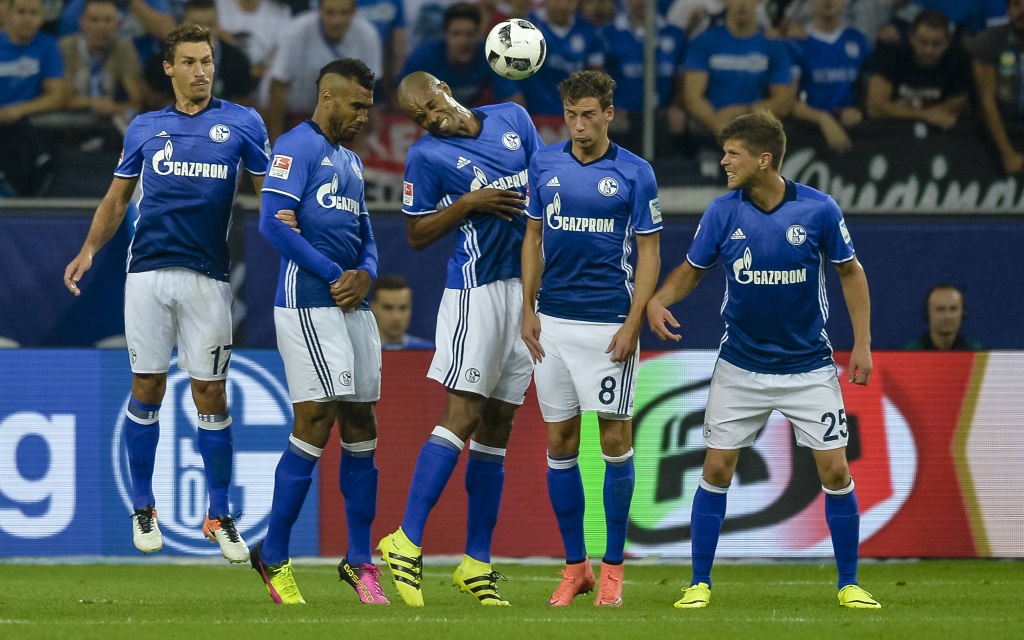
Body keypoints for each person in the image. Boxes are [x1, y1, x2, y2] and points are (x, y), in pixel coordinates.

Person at [646, 110, 881, 610]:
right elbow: (692, 271)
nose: (724, 161)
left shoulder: (818, 210)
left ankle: (849, 583)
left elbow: (851, 274)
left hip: (809, 367)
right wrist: (659, 300)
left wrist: (861, 343)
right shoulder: (722, 211)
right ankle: (699, 583)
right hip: (741, 365)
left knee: (836, 472)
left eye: (733, 154)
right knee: (716, 468)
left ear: (764, 158)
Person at [63, 23, 270, 562]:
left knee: (211, 394)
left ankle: (219, 514)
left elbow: (271, 197)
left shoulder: (243, 123)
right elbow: (115, 199)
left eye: (208, 60)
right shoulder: (144, 127)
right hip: (148, 275)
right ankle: (143, 504)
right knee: (148, 384)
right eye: (192, 62)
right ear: (169, 68)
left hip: (209, 278)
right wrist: (89, 249)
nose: (202, 70)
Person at [377, 70, 541, 607]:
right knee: (464, 413)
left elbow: (544, 185)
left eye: (428, 105)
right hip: (477, 292)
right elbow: (416, 234)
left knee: (499, 425)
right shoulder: (426, 158)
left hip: (525, 290)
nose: (429, 118)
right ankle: (406, 538)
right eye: (418, 117)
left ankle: (476, 562)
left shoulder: (513, 118)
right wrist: (468, 203)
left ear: (444, 87)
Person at [249, 58, 389, 606]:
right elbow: (269, 223)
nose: (363, 116)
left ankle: (359, 561)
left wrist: (367, 274)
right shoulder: (297, 146)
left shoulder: (352, 161)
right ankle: (275, 553)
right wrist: (336, 275)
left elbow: (367, 235)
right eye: (356, 105)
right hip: (308, 304)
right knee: (316, 418)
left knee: (361, 422)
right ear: (327, 98)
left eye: (369, 107)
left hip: (351, 306)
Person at [521, 70, 661, 607]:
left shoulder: (635, 172)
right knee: (559, 444)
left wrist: (632, 322)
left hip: (608, 328)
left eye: (588, 115)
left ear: (608, 113)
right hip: (552, 325)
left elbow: (648, 251)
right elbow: (532, 235)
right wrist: (526, 309)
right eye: (570, 116)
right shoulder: (545, 164)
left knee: (614, 443)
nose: (578, 126)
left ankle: (614, 570)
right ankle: (575, 566)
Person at [265, 0, 381, 142]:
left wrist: (358, 147)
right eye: (330, 13)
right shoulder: (296, 31)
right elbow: (277, 87)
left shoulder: (368, 35)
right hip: (294, 116)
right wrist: (276, 141)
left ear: (353, 13)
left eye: (344, 13)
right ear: (319, 11)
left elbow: (365, 92)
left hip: (341, 121)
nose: (336, 21)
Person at [682, 0, 795, 136]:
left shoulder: (774, 46)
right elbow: (693, 97)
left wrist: (745, 112)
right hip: (709, 133)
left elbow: (783, 101)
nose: (742, 3)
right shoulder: (703, 42)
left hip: (757, 135)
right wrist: (719, 126)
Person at [0, 0, 68, 196]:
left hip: (26, 129)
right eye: (21, 12)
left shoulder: (47, 46)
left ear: (41, 18)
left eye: (33, 13)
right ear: (8, 14)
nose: (27, 19)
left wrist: (18, 110)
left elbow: (57, 95)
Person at [865, 9, 972, 130]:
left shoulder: (958, 59)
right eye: (923, 42)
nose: (929, 50)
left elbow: (957, 105)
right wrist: (925, 115)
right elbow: (874, 108)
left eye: (937, 44)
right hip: (892, 131)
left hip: (939, 134)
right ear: (912, 38)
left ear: (948, 42)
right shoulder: (891, 54)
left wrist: (896, 109)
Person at [788, 0, 872, 152]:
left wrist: (860, 111)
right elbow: (788, 100)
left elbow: (869, 92)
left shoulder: (859, 41)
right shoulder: (797, 43)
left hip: (854, 135)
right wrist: (822, 119)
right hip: (808, 135)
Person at [143, 0, 254, 110]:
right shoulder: (162, 59)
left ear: (218, 24)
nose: (204, 30)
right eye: (196, 24)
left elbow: (242, 107)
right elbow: (153, 103)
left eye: (210, 24)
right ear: (183, 24)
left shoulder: (237, 61)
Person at [401, 2, 513, 108]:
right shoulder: (423, 57)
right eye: (456, 34)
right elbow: (400, 100)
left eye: (470, 34)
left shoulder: (492, 56)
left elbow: (514, 101)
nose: (463, 42)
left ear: (479, 34)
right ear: (445, 35)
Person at [60, 0, 143, 128]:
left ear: (117, 24)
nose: (101, 26)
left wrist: (116, 108)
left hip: (109, 120)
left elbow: (136, 100)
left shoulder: (124, 48)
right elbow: (62, 99)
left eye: (108, 20)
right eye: (95, 20)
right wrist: (94, 103)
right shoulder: (67, 47)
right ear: (82, 23)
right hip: (68, 121)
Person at [972, 0, 1024, 175]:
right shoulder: (989, 41)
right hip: (1000, 130)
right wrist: (1008, 154)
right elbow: (987, 102)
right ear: (1008, 11)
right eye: (1017, 5)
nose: (1022, 10)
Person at [905, 284, 982, 350]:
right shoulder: (911, 354)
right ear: (927, 313)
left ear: (963, 313)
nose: (947, 316)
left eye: (953, 309)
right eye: (940, 309)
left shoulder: (975, 353)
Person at [371, 274, 434, 350]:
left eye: (403, 308)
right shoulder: (362, 350)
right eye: (388, 308)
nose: (396, 317)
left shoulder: (428, 352)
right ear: (373, 308)